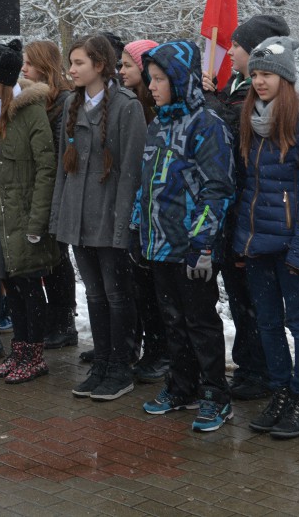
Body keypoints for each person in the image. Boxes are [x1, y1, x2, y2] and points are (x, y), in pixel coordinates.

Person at [233, 37, 299, 440]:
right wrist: (242, 242)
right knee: (269, 324)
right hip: (258, 244)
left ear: (286, 77)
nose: (259, 81)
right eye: (254, 74)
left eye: (267, 74)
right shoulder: (251, 118)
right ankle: (278, 390)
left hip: (292, 245)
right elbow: (249, 188)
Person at [134, 40, 235, 433]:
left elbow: (218, 188)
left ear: (179, 79)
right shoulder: (158, 122)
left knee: (200, 323)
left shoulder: (207, 124)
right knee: (171, 320)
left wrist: (204, 242)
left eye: (160, 79)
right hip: (158, 243)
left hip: (193, 246)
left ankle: (215, 394)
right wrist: (136, 227)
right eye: (150, 79)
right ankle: (181, 386)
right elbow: (147, 184)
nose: (152, 86)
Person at [50, 34, 147, 401]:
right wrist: (59, 215)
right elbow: (64, 167)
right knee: (94, 293)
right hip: (78, 217)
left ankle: (120, 366)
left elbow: (131, 172)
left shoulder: (126, 106)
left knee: (117, 294)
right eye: (70, 62)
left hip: (109, 217)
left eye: (78, 63)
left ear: (99, 66)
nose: (71, 70)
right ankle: (102, 363)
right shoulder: (73, 105)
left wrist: (123, 225)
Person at [201, 15, 291, 402]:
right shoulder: (235, 90)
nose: (231, 51)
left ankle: (263, 370)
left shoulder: (251, 99)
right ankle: (250, 365)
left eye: (237, 45)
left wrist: (209, 102)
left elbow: (233, 134)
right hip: (238, 215)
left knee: (254, 301)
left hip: (253, 214)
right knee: (240, 299)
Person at [0, 40, 61, 380]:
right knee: (11, 285)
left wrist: (37, 221)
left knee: (28, 286)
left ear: (1, 79)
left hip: (20, 215)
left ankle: (34, 354)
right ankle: (18, 350)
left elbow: (46, 168)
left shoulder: (30, 111)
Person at [22, 40, 78, 350]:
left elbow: (60, 149)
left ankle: (64, 319)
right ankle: (52, 318)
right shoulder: (34, 100)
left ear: (44, 65)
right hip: (36, 188)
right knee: (45, 256)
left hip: (55, 187)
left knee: (57, 257)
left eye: (29, 63)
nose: (24, 68)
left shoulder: (64, 100)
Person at [118, 39, 167, 383]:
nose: (121, 71)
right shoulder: (130, 106)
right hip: (138, 214)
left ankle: (160, 352)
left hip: (156, 215)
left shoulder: (157, 113)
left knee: (155, 292)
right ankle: (147, 347)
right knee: (140, 289)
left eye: (127, 65)